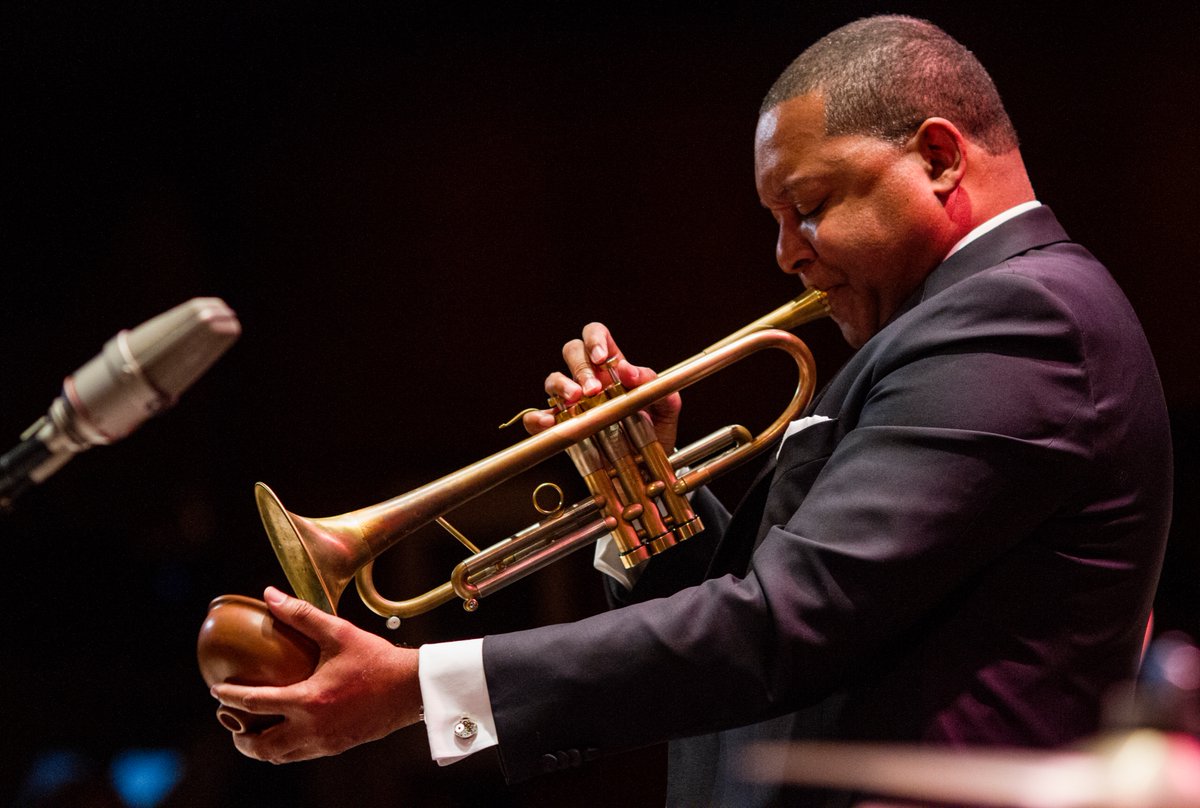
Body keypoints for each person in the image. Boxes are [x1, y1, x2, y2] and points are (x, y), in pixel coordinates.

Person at [212, 15, 1172, 806]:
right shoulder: (959, 324)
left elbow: (781, 629)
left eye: (809, 205)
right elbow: (784, 634)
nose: (787, 253)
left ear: (936, 157)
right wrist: (647, 499)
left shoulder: (1018, 317)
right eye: (775, 221)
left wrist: (418, 689)